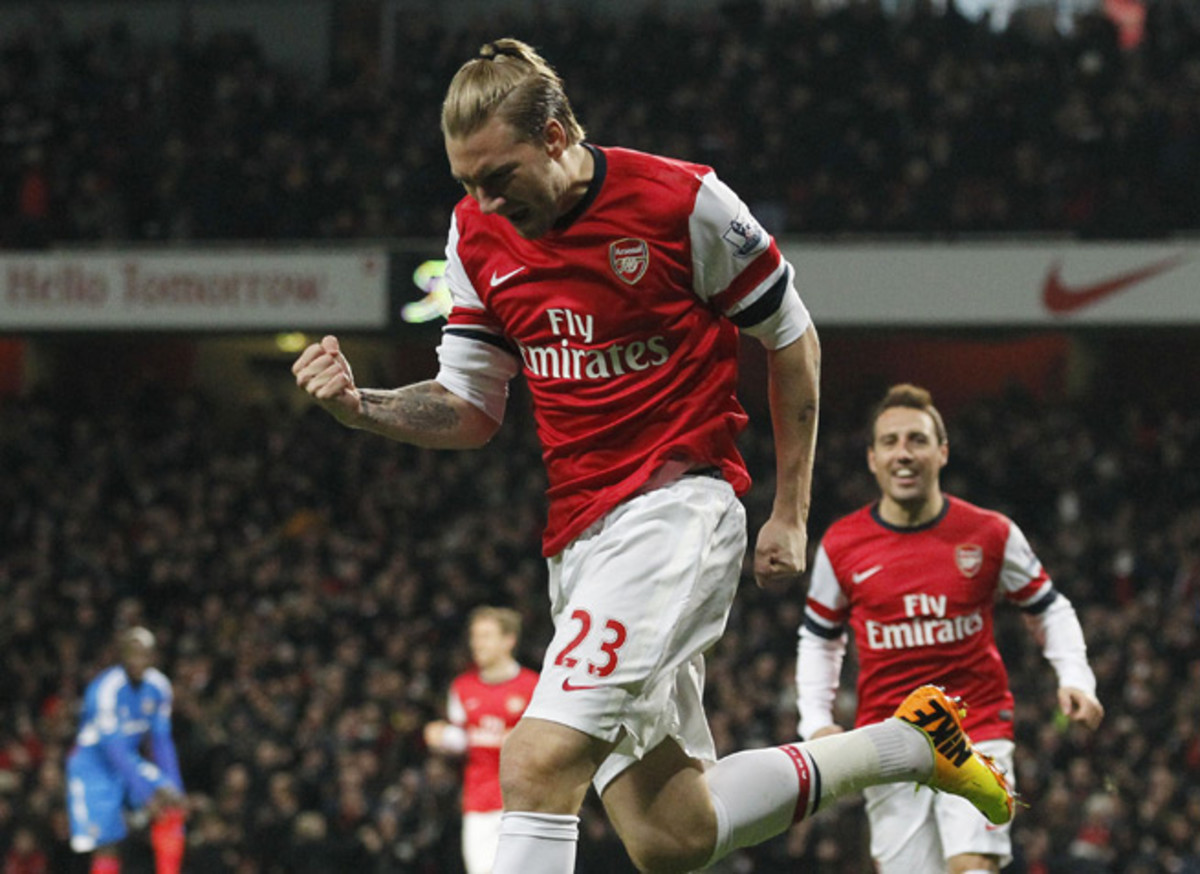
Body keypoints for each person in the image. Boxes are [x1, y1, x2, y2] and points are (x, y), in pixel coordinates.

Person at [292, 38, 1014, 874]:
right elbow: (470, 408)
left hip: (677, 512)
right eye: (465, 184)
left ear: (557, 135)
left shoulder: (682, 203)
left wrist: (789, 511)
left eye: (499, 177)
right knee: (673, 835)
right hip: (580, 539)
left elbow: (793, 338)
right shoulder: (473, 238)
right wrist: (360, 408)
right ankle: (907, 745)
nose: (484, 200)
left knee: (532, 760)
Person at [796, 383, 1105, 874]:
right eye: (891, 441)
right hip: (886, 736)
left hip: (976, 726)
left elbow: (1047, 607)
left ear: (941, 452)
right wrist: (814, 720)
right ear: (872, 458)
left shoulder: (990, 533)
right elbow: (819, 636)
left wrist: (1076, 678)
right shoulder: (841, 544)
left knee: (971, 865)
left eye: (917, 440)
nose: (904, 452)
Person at [425, 606, 540, 874]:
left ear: (508, 640)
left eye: (486, 636)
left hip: (526, 802)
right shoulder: (462, 688)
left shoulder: (533, 687)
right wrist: (443, 737)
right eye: (475, 636)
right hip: (479, 802)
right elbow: (465, 740)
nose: (477, 643)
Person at [66, 627, 186, 874]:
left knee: (171, 802)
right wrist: (144, 793)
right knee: (107, 843)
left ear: (153, 657)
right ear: (122, 656)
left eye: (143, 654)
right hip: (94, 766)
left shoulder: (159, 687)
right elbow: (113, 749)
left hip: (127, 761)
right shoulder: (106, 689)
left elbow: (161, 741)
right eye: (131, 654)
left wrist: (174, 785)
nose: (136, 661)